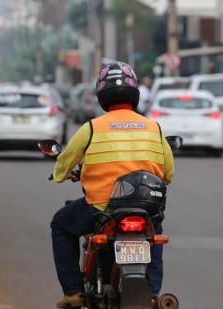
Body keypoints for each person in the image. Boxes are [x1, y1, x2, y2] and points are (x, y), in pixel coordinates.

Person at [50, 61, 175, 308]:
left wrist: (61, 174)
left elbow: (63, 165)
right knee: (154, 232)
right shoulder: (154, 128)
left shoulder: (92, 129)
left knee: (61, 224)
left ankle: (74, 293)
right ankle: (152, 294)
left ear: (101, 95)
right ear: (135, 93)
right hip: (146, 209)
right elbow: (168, 173)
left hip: (102, 210)